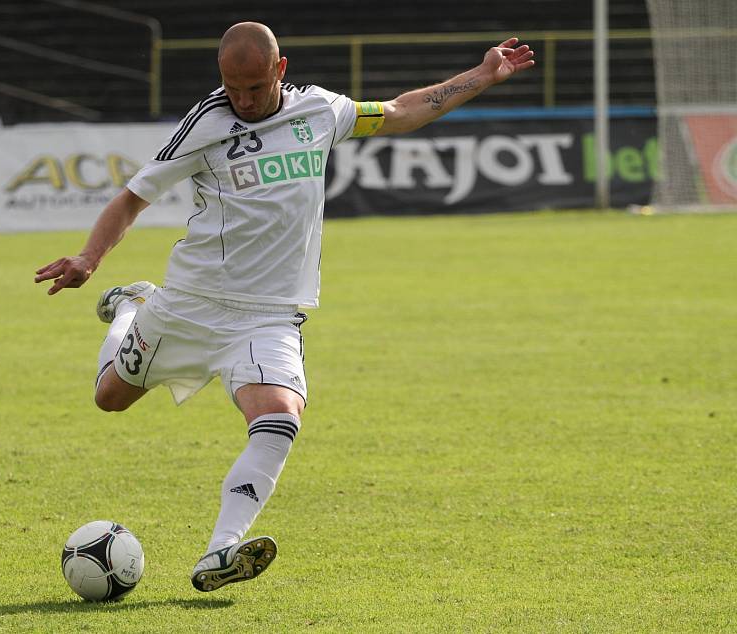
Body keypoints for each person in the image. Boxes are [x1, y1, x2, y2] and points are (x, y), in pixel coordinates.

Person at [35, 22, 534, 592]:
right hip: (192, 302)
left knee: (279, 418)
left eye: (253, 87)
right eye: (231, 86)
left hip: (270, 313)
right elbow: (132, 198)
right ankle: (131, 307)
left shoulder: (321, 112)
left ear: (280, 68)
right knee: (110, 399)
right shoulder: (207, 122)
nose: (242, 101)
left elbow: (402, 110)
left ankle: (219, 551)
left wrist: (484, 74)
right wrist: (89, 258)